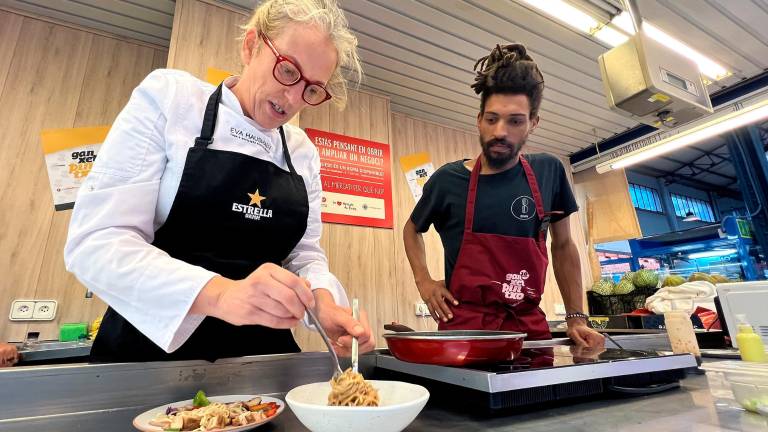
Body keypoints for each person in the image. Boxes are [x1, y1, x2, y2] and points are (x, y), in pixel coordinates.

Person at [64, 0, 374, 362]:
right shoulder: (173, 99)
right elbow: (98, 241)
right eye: (288, 71)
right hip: (148, 355)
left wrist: (323, 303)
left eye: (311, 90)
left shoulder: (302, 151)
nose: (293, 98)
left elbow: (304, 256)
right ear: (250, 46)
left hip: (262, 365)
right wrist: (221, 295)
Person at [403, 43, 604, 347]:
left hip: (527, 330)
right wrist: (424, 281)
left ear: (532, 123)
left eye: (515, 121)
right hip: (464, 331)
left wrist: (576, 317)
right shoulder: (447, 180)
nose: (500, 131)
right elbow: (412, 229)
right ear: (479, 119)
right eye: (492, 118)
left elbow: (563, 246)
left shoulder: (548, 172)